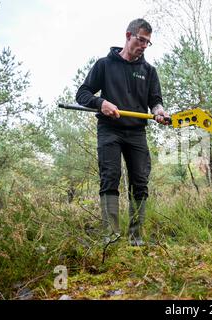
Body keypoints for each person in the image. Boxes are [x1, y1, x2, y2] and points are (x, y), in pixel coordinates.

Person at [76, 18, 169, 246]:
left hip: (137, 133)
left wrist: (159, 111)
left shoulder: (149, 71)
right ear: (128, 36)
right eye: (141, 40)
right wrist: (101, 103)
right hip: (110, 130)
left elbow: (155, 101)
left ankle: (136, 238)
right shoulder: (104, 65)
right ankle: (111, 237)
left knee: (140, 182)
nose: (144, 45)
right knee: (110, 178)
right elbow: (82, 93)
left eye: (148, 42)